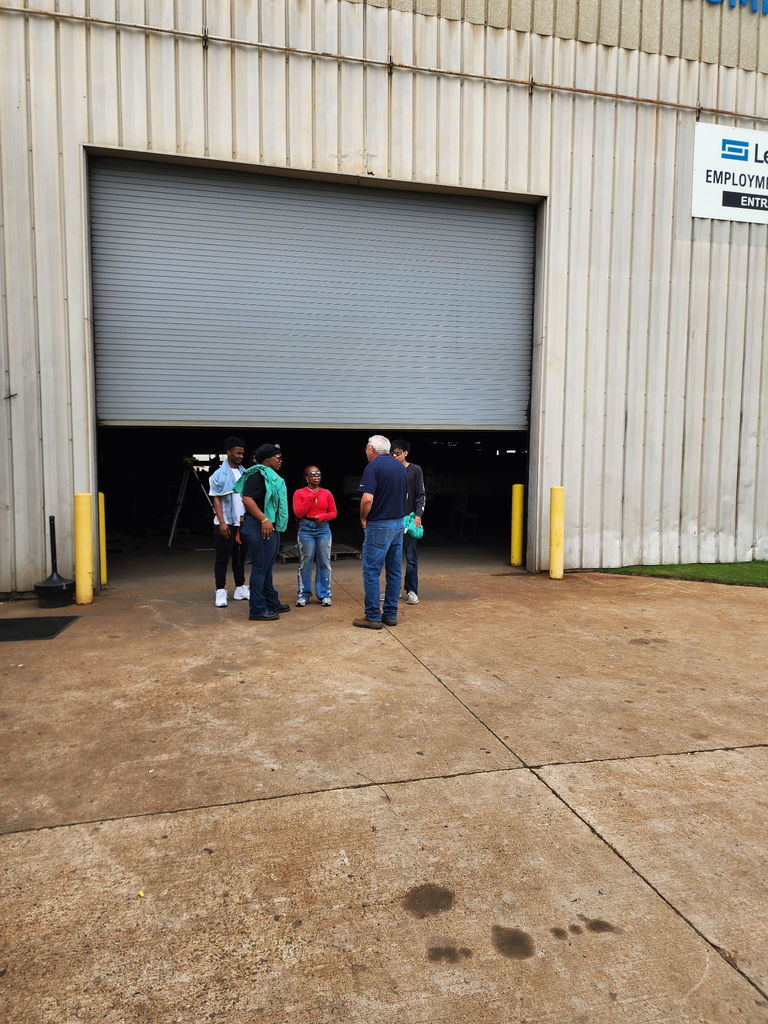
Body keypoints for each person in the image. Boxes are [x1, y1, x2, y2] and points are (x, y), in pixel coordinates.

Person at [353, 434, 408, 630]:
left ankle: (373, 616)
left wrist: (362, 517)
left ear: (371, 449)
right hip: (397, 524)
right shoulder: (400, 467)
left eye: (367, 447)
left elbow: (367, 499)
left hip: (379, 525)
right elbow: (406, 495)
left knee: (371, 571)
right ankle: (390, 615)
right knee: (393, 571)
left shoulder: (373, 466)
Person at [234, 443, 291, 622]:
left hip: (269, 526)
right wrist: (264, 519)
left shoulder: (270, 476)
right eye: (278, 457)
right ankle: (257, 610)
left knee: (267, 567)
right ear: (267, 459)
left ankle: (271, 602)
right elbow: (247, 499)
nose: (281, 461)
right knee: (260, 568)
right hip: (259, 526)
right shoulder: (257, 474)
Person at [208, 436, 248, 608]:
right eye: (237, 453)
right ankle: (220, 591)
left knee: (240, 558)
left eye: (242, 454)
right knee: (222, 558)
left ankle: (240, 588)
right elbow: (216, 499)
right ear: (229, 452)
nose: (240, 456)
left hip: (242, 523)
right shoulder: (218, 475)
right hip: (225, 524)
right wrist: (222, 523)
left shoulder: (244, 473)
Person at [293, 465, 338, 607]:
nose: (316, 477)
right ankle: (303, 594)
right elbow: (299, 513)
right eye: (313, 474)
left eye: (318, 474)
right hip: (306, 528)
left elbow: (334, 512)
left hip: (323, 529)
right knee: (306, 562)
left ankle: (325, 594)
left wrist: (323, 516)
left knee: (324, 561)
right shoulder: (299, 493)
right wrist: (311, 496)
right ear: (306, 478)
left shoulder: (327, 493)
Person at [391, 439, 426, 605]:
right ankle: (393, 591)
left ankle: (412, 590)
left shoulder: (415, 470)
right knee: (392, 557)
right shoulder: (390, 470)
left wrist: (418, 515)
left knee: (411, 557)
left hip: (409, 520)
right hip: (392, 520)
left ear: (406, 453)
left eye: (398, 452)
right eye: (392, 453)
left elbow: (421, 495)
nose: (394, 455)